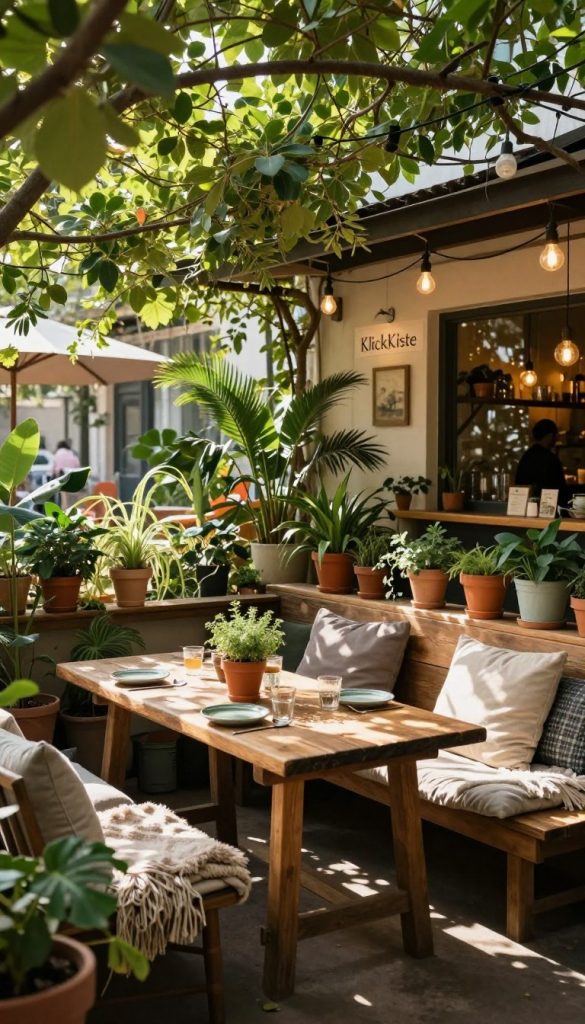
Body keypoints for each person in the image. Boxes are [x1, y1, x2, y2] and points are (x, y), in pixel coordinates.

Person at [515, 419, 568, 505]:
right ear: (550, 436)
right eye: (556, 435)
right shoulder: (551, 459)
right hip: (549, 507)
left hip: (526, 506)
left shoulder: (526, 457)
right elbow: (561, 490)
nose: (557, 438)